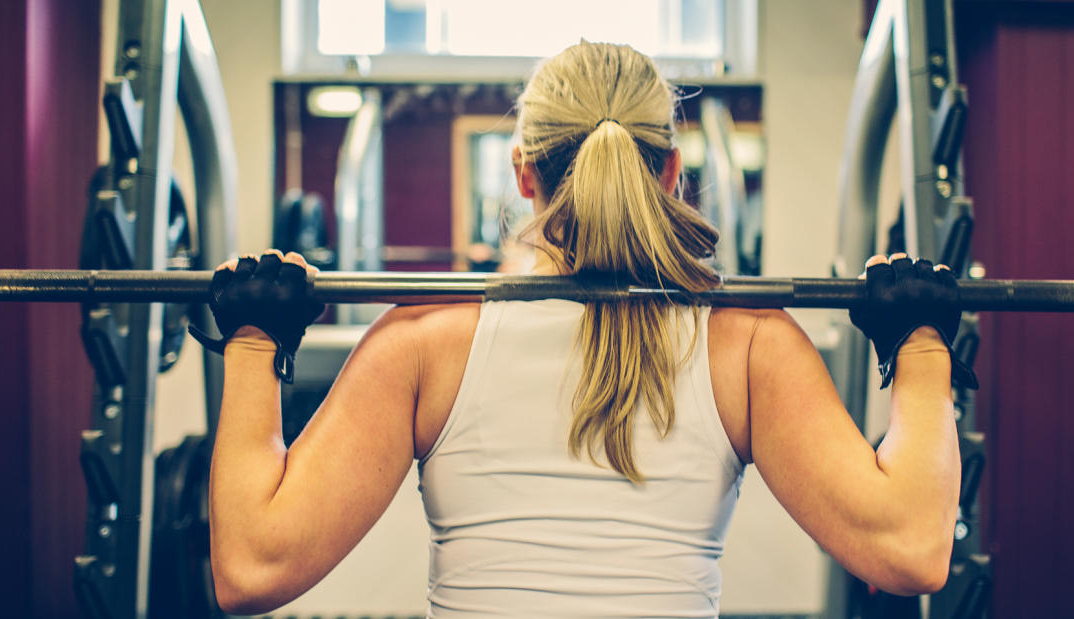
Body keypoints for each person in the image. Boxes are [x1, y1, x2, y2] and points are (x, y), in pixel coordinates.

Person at [198, 41, 966, 618]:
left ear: (522, 172)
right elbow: (910, 548)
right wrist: (920, 342)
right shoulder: (748, 343)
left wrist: (255, 341)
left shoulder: (424, 341)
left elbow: (253, 567)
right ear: (670, 172)